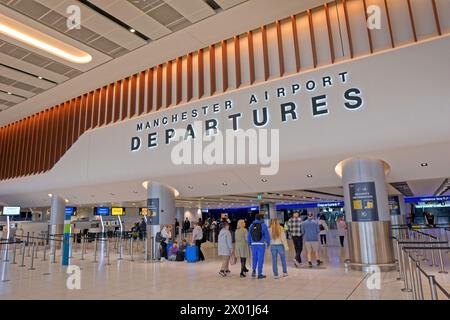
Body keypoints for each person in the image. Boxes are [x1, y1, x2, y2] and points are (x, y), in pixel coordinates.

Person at [248, 213, 270, 279]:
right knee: (260, 259)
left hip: (253, 245)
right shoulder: (263, 225)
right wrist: (268, 242)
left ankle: (254, 270)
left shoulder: (251, 225)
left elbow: (249, 235)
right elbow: (266, 235)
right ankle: (259, 274)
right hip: (261, 245)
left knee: (254, 258)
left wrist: (249, 243)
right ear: (261, 218)